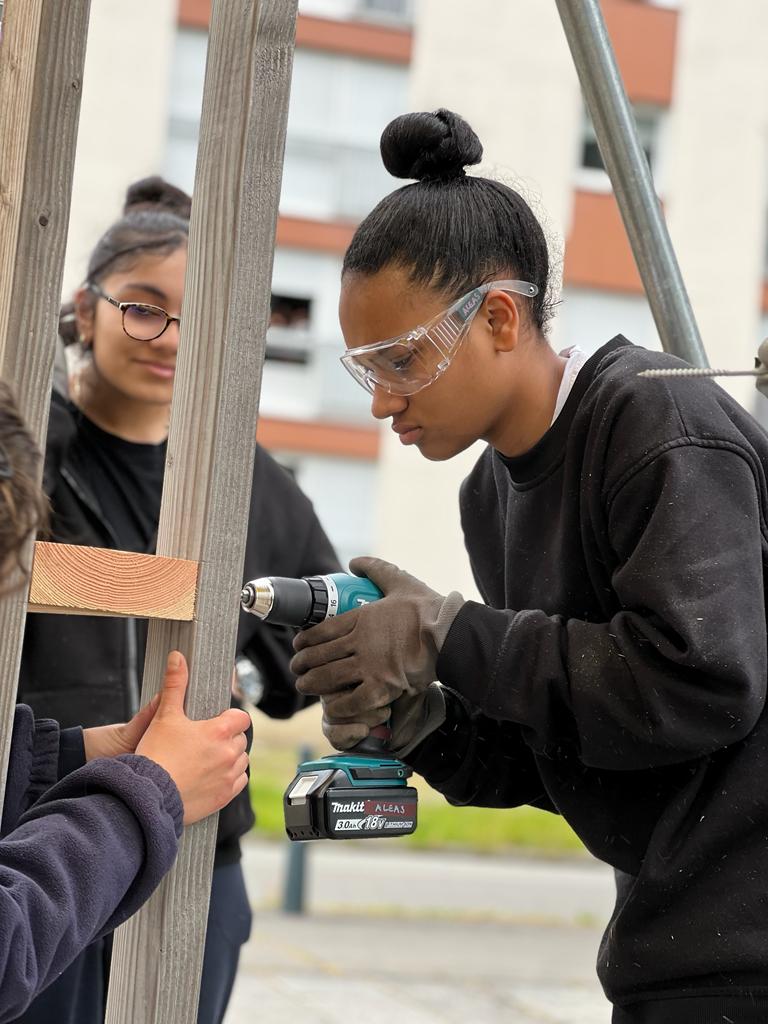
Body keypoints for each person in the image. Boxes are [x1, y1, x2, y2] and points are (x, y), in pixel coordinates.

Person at [289, 108, 768, 1024]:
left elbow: (701, 684)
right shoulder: (491, 495)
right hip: (670, 954)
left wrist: (451, 633)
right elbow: (580, 750)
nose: (384, 398)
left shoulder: (658, 431)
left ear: (500, 318)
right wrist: (428, 721)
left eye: (401, 359)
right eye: (365, 370)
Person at [15, 178, 340, 1024]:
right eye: (143, 308)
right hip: (43, 846)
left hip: (199, 850)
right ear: (86, 311)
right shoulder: (24, 461)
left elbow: (313, 654)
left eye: (196, 319)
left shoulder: (254, 484)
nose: (167, 339)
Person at [0, 379, 251, 1022]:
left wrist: (68, 755)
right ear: (85, 313)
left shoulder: (258, 484)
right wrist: (146, 788)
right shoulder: (57, 454)